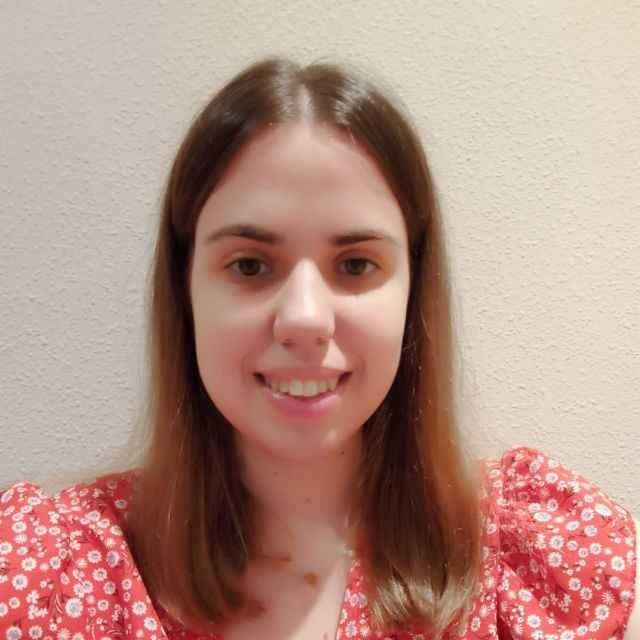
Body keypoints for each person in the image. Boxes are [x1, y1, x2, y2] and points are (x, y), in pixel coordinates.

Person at [0, 56, 637, 640]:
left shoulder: (528, 563)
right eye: (250, 265)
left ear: (415, 290)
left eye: (356, 265)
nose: (304, 319)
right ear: (184, 289)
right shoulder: (56, 577)